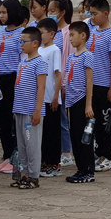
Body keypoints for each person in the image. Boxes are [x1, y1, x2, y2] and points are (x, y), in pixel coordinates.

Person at [0, 0, 27, 172]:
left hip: (13, 79)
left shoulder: (22, 33)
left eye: (4, 12)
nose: (1, 15)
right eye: (1, 12)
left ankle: (17, 157)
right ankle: (7, 155)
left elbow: (23, 60)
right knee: (3, 121)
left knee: (14, 121)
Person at [87, 0, 111, 173]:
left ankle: (106, 157)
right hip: (91, 85)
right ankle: (96, 153)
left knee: (105, 122)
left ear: (106, 14)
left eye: (95, 13)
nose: (92, 17)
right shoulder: (93, 31)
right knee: (93, 122)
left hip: (104, 85)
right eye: (91, 13)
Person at [12, 26, 48, 189]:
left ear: (35, 43)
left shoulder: (40, 62)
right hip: (19, 109)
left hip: (31, 110)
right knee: (22, 145)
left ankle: (34, 176)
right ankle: (24, 173)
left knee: (32, 144)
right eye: (20, 41)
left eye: (24, 41)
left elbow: (41, 88)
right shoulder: (22, 62)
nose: (21, 44)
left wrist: (37, 110)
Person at [63, 21, 95, 184]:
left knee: (84, 138)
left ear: (83, 36)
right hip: (72, 101)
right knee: (75, 136)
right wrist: (68, 104)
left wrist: (88, 104)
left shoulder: (87, 56)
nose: (70, 39)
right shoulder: (70, 57)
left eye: (73, 35)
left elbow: (90, 81)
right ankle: (80, 168)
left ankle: (88, 170)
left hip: (82, 100)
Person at [48, 0, 75, 169]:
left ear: (62, 12)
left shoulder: (68, 32)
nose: (49, 14)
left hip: (62, 83)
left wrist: (64, 84)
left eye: (52, 11)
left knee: (63, 119)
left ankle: (67, 153)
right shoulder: (52, 32)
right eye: (48, 11)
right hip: (49, 83)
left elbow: (69, 60)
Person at [37, 17, 64, 177]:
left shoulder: (55, 50)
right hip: (41, 98)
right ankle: (44, 161)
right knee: (44, 133)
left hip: (51, 99)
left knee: (53, 133)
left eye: (42, 33)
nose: (39, 36)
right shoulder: (39, 50)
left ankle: (54, 164)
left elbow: (58, 75)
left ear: (52, 34)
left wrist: (56, 97)